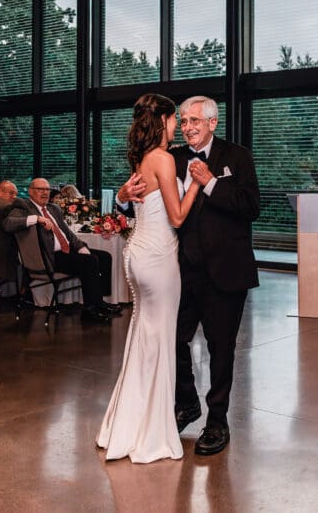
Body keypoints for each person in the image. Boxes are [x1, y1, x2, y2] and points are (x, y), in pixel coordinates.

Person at [118, 94, 260, 457]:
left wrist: (211, 182)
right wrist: (121, 197)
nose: (188, 127)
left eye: (195, 120)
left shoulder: (237, 156)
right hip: (182, 271)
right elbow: (143, 194)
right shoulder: (173, 157)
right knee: (174, 339)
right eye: (182, 121)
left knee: (221, 349)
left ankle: (217, 420)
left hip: (226, 272)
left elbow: (251, 207)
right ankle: (187, 402)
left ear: (213, 122)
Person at [98, 94, 202, 463]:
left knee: (144, 335)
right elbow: (176, 218)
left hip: (137, 254)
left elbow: (138, 203)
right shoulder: (163, 158)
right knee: (159, 339)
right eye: (176, 119)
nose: (179, 127)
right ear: (164, 120)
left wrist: (123, 197)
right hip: (159, 257)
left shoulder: (143, 158)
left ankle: (130, 418)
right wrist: (194, 185)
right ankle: (151, 427)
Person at [21, 178, 121, 324]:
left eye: (47, 190)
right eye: (40, 189)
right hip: (49, 256)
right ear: (30, 191)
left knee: (104, 256)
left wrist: (81, 247)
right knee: (90, 261)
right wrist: (37, 218)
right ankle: (89, 310)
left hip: (66, 251)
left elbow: (68, 233)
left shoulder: (53, 208)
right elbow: (8, 223)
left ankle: (99, 302)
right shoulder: (23, 207)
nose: (44, 193)